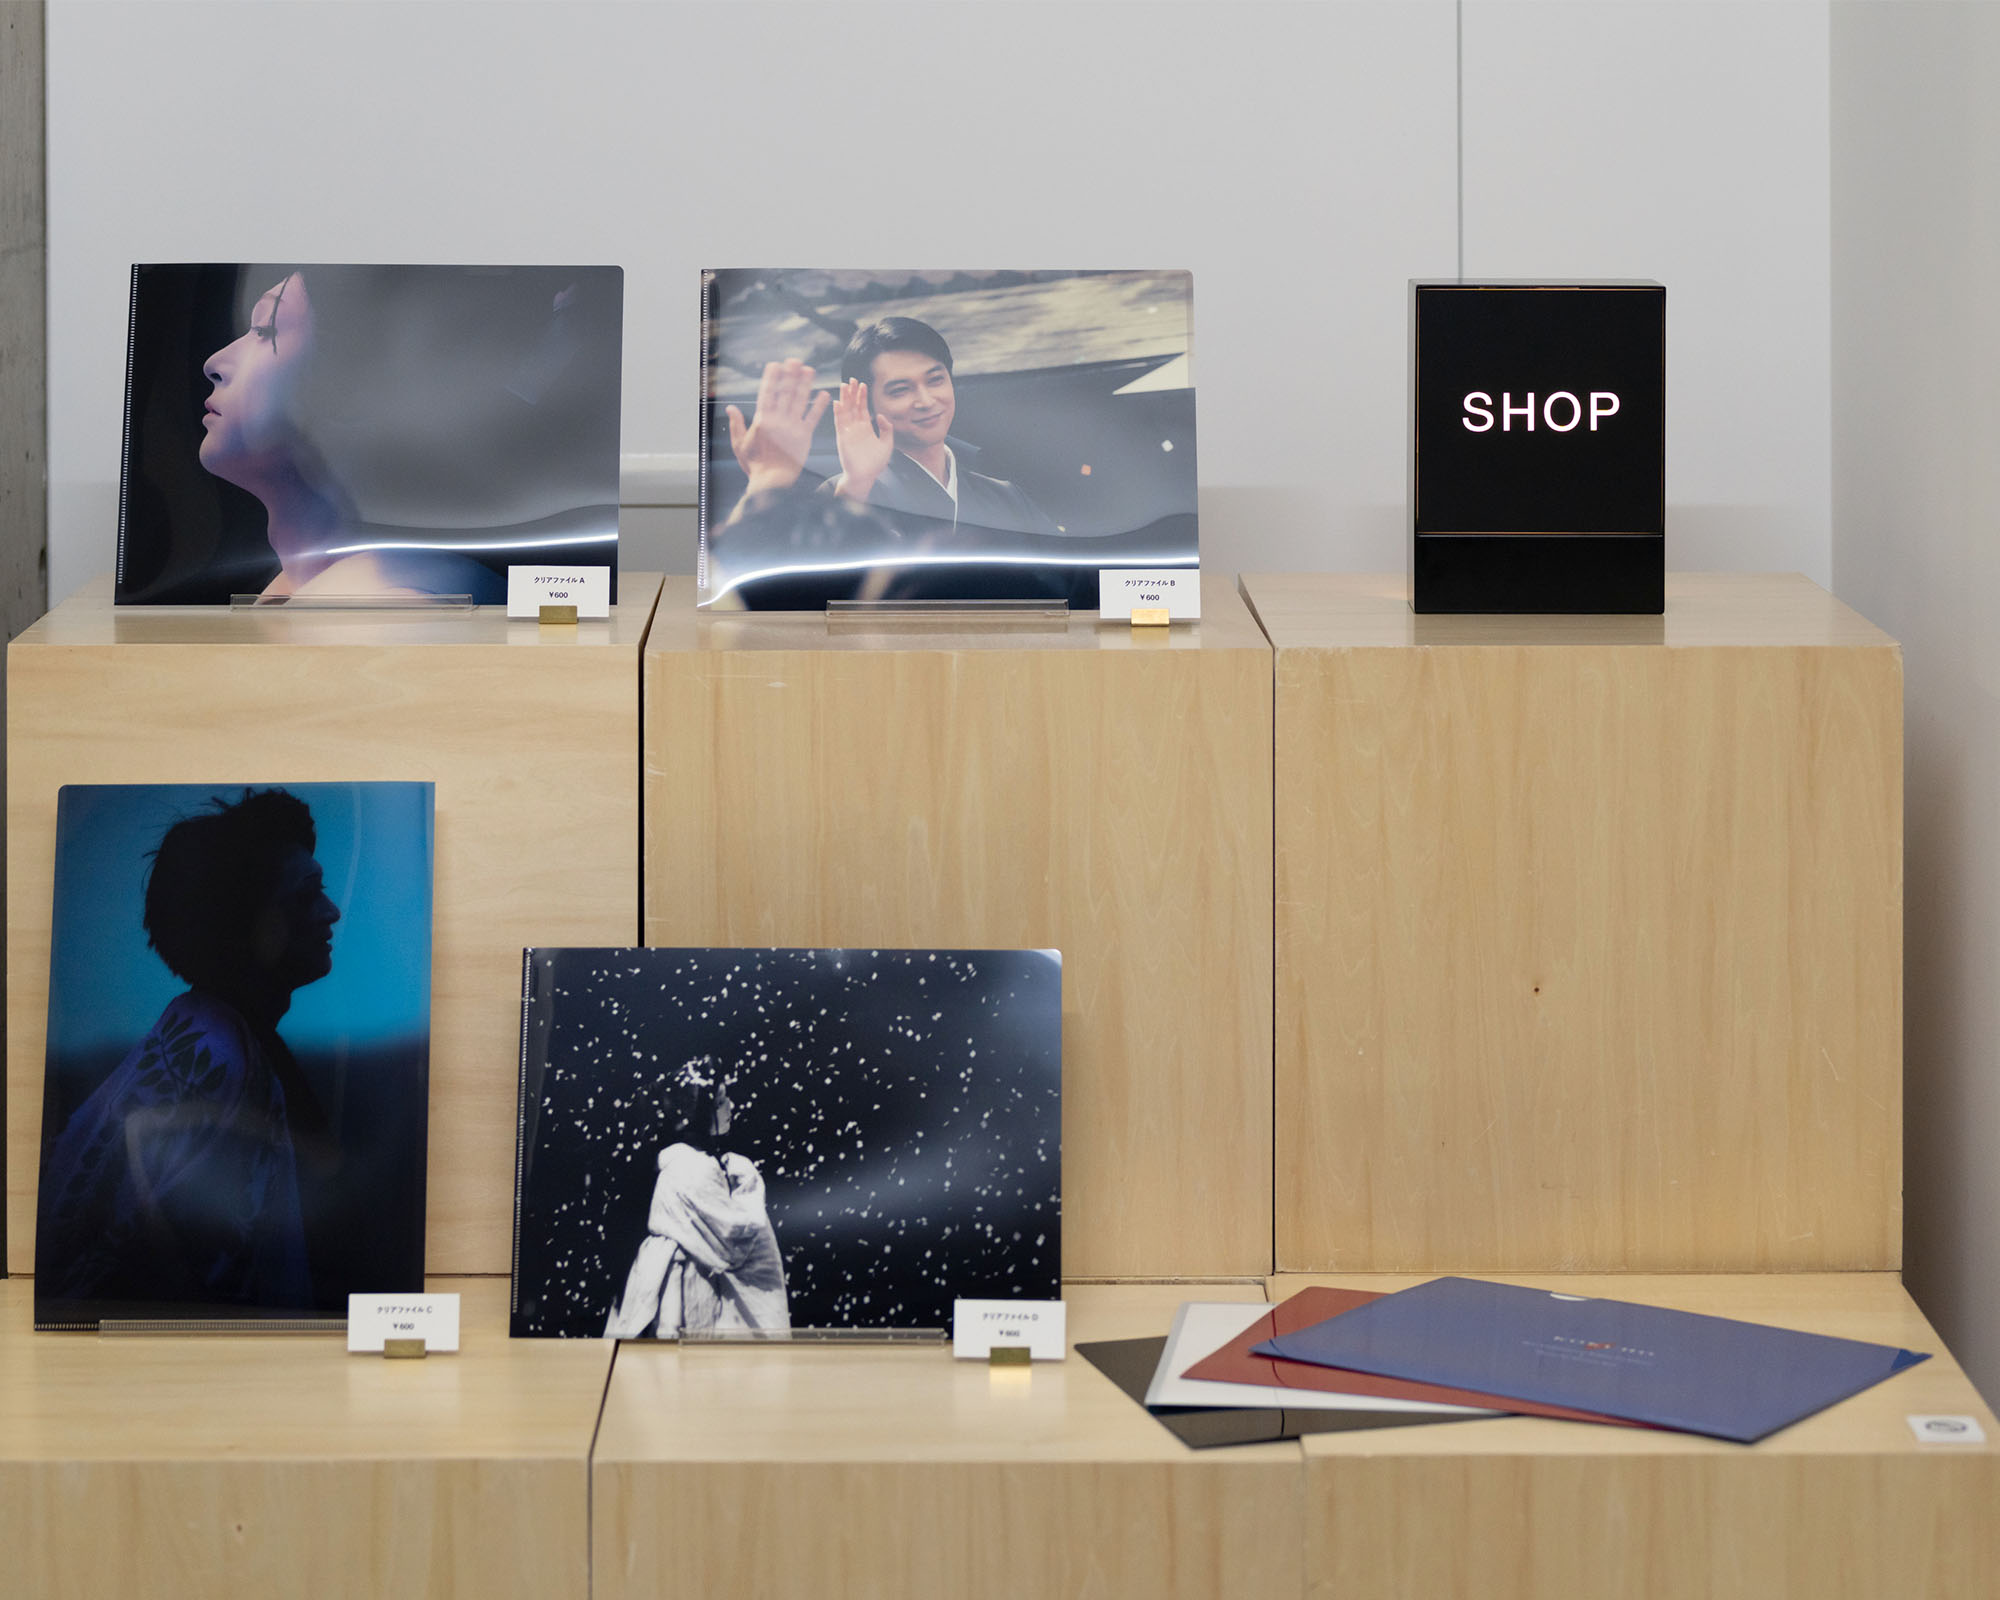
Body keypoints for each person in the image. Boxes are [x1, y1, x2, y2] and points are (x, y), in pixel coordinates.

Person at [35, 789, 341, 1314]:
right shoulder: (217, 1053)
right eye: (307, 894)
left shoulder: (219, 1035)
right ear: (249, 923)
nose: (331, 912)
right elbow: (163, 1271)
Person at [196, 269, 510, 603]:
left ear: (351, 384)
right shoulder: (308, 587)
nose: (214, 363)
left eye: (265, 329)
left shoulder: (389, 607)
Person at [721, 317, 1058, 543]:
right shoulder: (843, 492)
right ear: (866, 401)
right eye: (900, 390)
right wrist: (857, 483)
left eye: (935, 380)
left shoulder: (1006, 495)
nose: (926, 401)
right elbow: (811, 587)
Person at [604, 1062, 790, 1338]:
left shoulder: (680, 1165)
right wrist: (749, 1185)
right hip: (686, 1291)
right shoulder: (692, 1168)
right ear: (698, 1113)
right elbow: (734, 1238)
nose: (730, 1107)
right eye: (721, 1101)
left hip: (681, 1285)